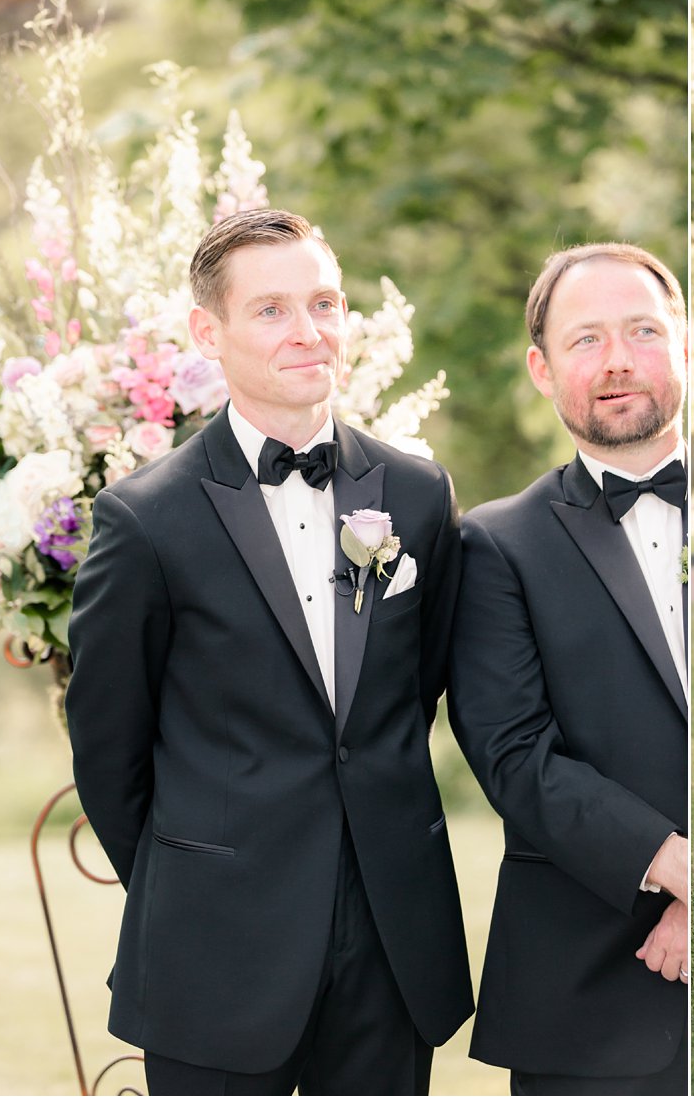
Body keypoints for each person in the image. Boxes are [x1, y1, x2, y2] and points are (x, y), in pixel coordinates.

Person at [66, 209, 473, 1094]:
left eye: (324, 303)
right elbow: (107, 748)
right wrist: (196, 879)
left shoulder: (417, 491)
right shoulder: (145, 518)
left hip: (391, 937)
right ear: (207, 332)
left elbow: (423, 686)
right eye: (272, 310)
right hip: (213, 944)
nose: (308, 331)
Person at [447, 243, 688, 1095]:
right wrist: (676, 863)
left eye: (644, 331)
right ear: (542, 370)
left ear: (683, 343)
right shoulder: (496, 542)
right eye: (586, 340)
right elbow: (513, 753)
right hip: (589, 995)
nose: (619, 360)